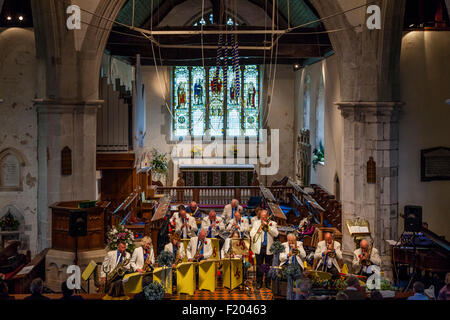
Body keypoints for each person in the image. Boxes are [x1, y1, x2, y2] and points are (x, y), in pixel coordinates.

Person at [250, 210, 278, 289]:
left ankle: (268, 282)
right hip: (259, 248)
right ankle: (259, 282)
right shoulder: (256, 223)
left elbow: (276, 234)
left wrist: (268, 228)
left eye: (265, 217)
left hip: (268, 248)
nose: (263, 219)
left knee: (268, 266)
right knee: (259, 266)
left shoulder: (273, 223)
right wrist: (260, 228)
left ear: (267, 216)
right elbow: (251, 234)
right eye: (262, 217)